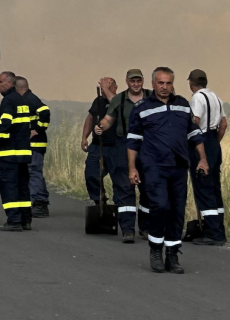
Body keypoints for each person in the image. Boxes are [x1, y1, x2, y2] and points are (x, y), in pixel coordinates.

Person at [127, 67, 210, 273]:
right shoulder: (142, 107)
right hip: (154, 166)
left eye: (169, 83)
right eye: (161, 83)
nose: (165, 87)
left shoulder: (182, 105)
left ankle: (172, 255)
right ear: (153, 84)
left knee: (176, 211)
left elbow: (194, 134)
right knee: (160, 206)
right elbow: (132, 141)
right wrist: (131, 168)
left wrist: (203, 159)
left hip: (179, 167)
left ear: (173, 84)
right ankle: (156, 250)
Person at [98, 68, 151, 240]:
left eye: (138, 81)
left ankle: (146, 227)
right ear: (127, 82)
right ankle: (128, 229)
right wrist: (101, 126)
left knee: (148, 187)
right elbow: (108, 119)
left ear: (143, 81)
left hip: (148, 146)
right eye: (132, 81)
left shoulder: (152, 97)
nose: (136, 84)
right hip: (123, 145)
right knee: (124, 187)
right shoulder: (119, 99)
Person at [187, 69, 226, 246]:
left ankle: (212, 233)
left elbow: (195, 121)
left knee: (203, 187)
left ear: (191, 83)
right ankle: (219, 230)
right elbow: (223, 124)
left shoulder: (197, 97)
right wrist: (214, 143)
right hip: (213, 142)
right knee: (214, 186)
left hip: (201, 142)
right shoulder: (216, 97)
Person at [0, 75, 35, 231]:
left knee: (9, 186)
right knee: (22, 186)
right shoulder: (21, 100)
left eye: (0, 81)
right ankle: (26, 220)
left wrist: (1, 141)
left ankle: (14, 221)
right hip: (23, 153)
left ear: (9, 83)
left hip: (9, 153)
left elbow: (4, 124)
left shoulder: (8, 101)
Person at [82, 77, 115, 203]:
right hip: (97, 145)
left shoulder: (119, 100)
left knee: (117, 178)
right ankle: (98, 199)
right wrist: (84, 137)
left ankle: (119, 206)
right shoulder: (98, 101)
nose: (103, 91)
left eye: (108, 86)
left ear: (115, 88)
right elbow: (90, 118)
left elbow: (114, 103)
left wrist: (107, 90)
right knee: (91, 174)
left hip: (114, 146)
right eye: (102, 88)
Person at [28, 83, 52, 217]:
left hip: (36, 144)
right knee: (32, 171)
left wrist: (37, 129)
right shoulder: (24, 99)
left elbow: (45, 112)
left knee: (33, 171)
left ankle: (40, 203)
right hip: (31, 144)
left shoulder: (30, 99)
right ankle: (38, 201)